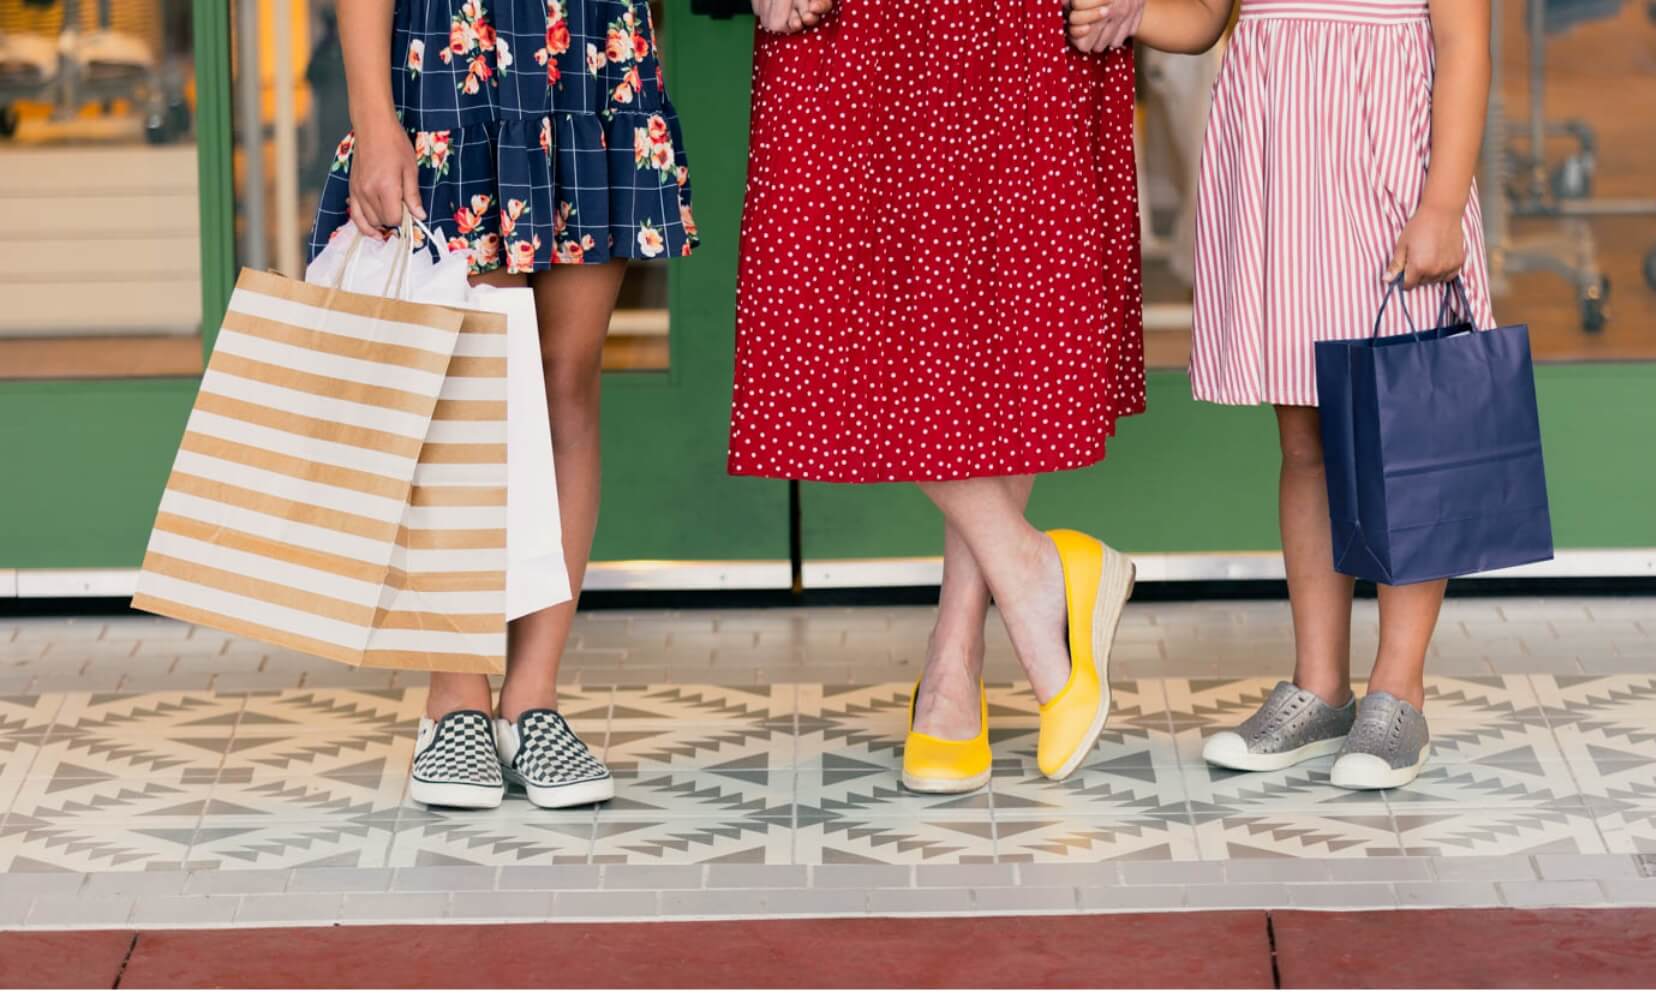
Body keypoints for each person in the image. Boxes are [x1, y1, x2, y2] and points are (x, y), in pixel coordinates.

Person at [1069, 0, 1495, 788]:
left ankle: (1397, 691)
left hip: (1384, 170)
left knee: (1400, 438)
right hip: (1277, 165)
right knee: (1304, 441)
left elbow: (1463, 42)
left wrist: (1441, 204)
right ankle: (1318, 687)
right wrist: (1127, 12)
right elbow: (1203, 18)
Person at [733, 0, 1150, 792]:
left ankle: (955, 659)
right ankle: (1030, 572)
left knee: (999, 311)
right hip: (851, 21)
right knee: (834, 296)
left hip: (1013, 20)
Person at [308, 0, 699, 809]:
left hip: (591, 54)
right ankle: (454, 699)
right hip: (451, 58)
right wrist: (374, 119)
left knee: (567, 382)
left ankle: (533, 698)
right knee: (466, 391)